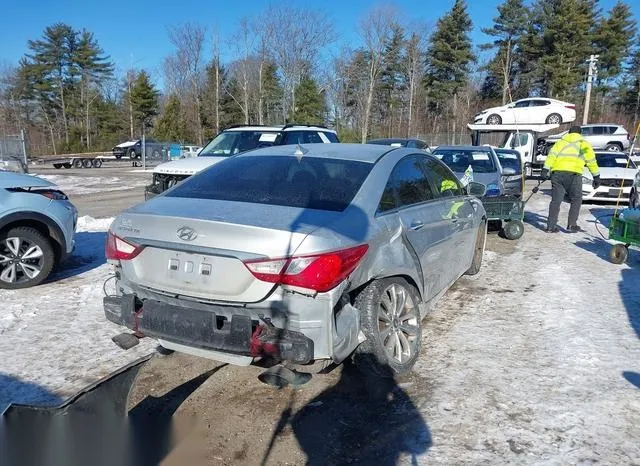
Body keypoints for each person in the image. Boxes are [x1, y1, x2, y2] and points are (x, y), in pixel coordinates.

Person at [541, 125, 600, 233]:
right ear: (580, 133)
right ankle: (572, 225)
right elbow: (591, 161)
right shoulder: (584, 144)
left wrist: (545, 169)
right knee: (576, 199)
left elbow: (551, 156)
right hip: (573, 175)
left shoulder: (560, 142)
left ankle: (550, 226)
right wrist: (596, 176)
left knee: (556, 201)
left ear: (569, 133)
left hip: (557, 174)